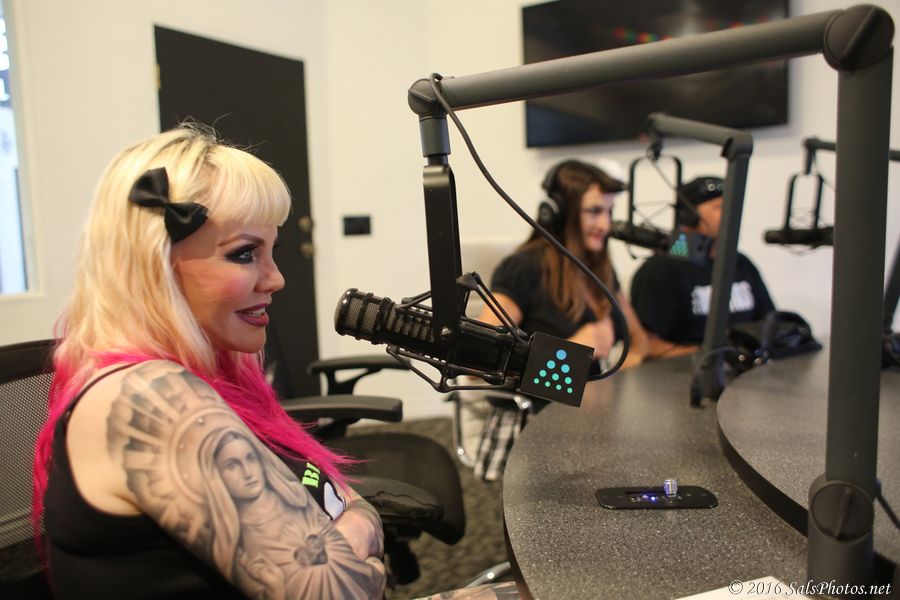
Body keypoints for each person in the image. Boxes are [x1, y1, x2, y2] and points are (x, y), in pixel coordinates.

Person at [32, 124, 518, 599]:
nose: (276, 279)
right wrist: (357, 523)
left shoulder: (198, 378)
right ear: (154, 263)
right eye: (245, 254)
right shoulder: (152, 399)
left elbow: (325, 490)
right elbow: (345, 589)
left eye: (271, 251)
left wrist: (353, 521)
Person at [470, 159, 648, 480]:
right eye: (594, 211)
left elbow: (639, 344)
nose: (606, 224)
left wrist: (613, 390)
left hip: (588, 420)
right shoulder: (523, 268)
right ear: (560, 213)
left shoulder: (600, 270)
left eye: (609, 212)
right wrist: (568, 353)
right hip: (535, 427)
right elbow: (476, 365)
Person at [630, 175, 775, 358]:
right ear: (688, 215)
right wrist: (710, 356)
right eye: (720, 207)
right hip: (685, 371)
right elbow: (646, 345)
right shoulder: (660, 269)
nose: (732, 215)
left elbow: (769, 324)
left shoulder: (741, 263)